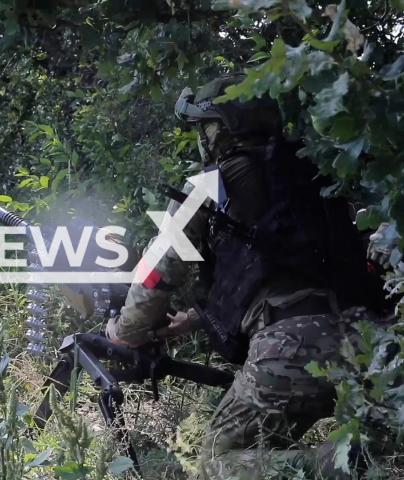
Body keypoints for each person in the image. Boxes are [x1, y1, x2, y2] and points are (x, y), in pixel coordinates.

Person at [105, 76, 388, 479]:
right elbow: (296, 271)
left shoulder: (209, 186)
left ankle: (335, 466)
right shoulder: (323, 173)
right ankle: (356, 456)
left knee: (219, 463)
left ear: (216, 129)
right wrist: (194, 319)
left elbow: (157, 274)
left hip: (289, 351)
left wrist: (125, 332)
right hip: (374, 342)